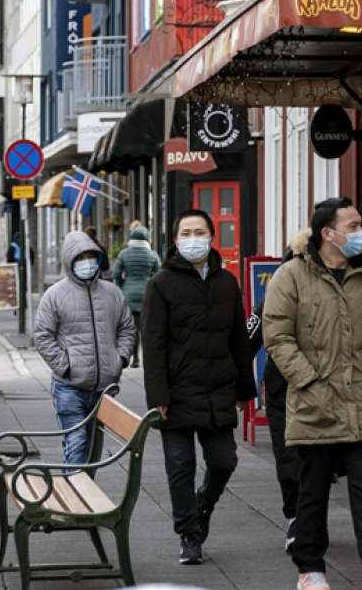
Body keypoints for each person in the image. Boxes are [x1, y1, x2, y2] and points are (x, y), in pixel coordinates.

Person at [263, 197, 362, 590]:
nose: (360, 233)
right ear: (327, 233)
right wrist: (309, 380)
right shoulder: (291, 276)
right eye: (352, 226)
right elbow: (277, 337)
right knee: (311, 491)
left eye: (359, 224)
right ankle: (310, 570)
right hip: (315, 402)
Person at [142, 209, 255, 565]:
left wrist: (244, 389)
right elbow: (153, 344)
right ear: (175, 241)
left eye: (199, 232)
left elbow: (239, 337)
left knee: (224, 461)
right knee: (180, 468)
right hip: (175, 394)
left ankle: (203, 506)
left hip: (217, 389)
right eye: (186, 232)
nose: (193, 238)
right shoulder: (160, 284)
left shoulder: (226, 283)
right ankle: (189, 535)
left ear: (211, 237)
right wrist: (158, 396)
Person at [34, 231, 136, 466]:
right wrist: (65, 366)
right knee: (77, 445)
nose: (86, 262)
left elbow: (127, 328)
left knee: (92, 452)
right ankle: (76, 501)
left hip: (104, 389)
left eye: (91, 256)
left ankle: (82, 497)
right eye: (80, 257)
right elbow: (42, 336)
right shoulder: (55, 295)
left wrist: (119, 359)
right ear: (69, 261)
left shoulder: (112, 293)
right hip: (70, 388)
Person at [246, 242, 300, 551]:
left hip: (318, 393)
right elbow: (246, 340)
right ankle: (295, 516)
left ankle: (305, 516)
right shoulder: (269, 302)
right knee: (287, 456)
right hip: (281, 391)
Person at [110, 225, 160, 367]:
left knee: (131, 329)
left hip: (129, 295)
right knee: (146, 328)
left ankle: (135, 358)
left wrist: (122, 286)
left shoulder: (124, 254)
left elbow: (116, 274)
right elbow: (159, 275)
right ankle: (147, 357)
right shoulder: (152, 255)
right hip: (147, 295)